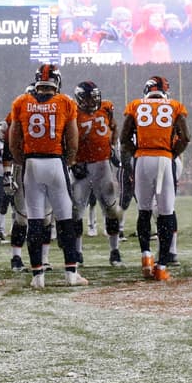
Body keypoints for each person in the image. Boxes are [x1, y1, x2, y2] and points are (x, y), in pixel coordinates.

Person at [6, 64, 87, 288]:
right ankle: (71, 274)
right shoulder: (65, 102)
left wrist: (23, 161)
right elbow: (72, 139)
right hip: (55, 162)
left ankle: (38, 276)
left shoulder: (21, 102)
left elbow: (13, 141)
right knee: (64, 219)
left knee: (35, 220)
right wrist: (69, 161)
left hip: (32, 163)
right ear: (57, 81)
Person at [120, 74, 189, 281]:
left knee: (144, 210)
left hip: (142, 159)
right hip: (163, 159)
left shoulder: (135, 105)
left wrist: (137, 152)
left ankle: (146, 255)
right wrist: (172, 153)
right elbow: (185, 137)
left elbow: (124, 137)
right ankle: (161, 266)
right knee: (166, 213)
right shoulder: (175, 106)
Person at [71, 80, 125, 266]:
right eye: (87, 98)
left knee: (110, 209)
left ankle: (115, 250)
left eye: (94, 98)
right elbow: (66, 138)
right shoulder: (73, 112)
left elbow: (115, 127)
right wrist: (72, 162)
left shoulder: (106, 108)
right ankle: (77, 253)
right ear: (79, 99)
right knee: (77, 211)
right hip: (82, 166)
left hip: (102, 164)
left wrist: (112, 147)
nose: (91, 102)